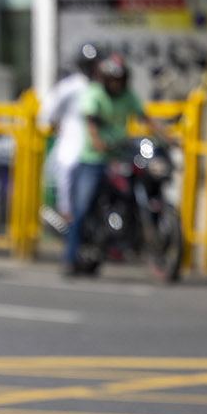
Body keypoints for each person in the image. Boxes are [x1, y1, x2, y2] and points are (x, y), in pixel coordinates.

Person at [64, 52, 170, 275]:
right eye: (113, 79)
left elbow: (146, 119)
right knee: (81, 208)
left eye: (120, 80)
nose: (116, 84)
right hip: (94, 160)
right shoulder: (93, 94)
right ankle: (70, 257)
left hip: (120, 156)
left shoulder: (128, 96)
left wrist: (168, 137)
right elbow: (91, 125)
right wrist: (98, 142)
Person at [37, 43, 98, 218]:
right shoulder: (71, 86)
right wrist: (54, 126)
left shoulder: (99, 87)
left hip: (95, 142)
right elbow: (48, 110)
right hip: (72, 138)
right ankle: (65, 214)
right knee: (66, 169)